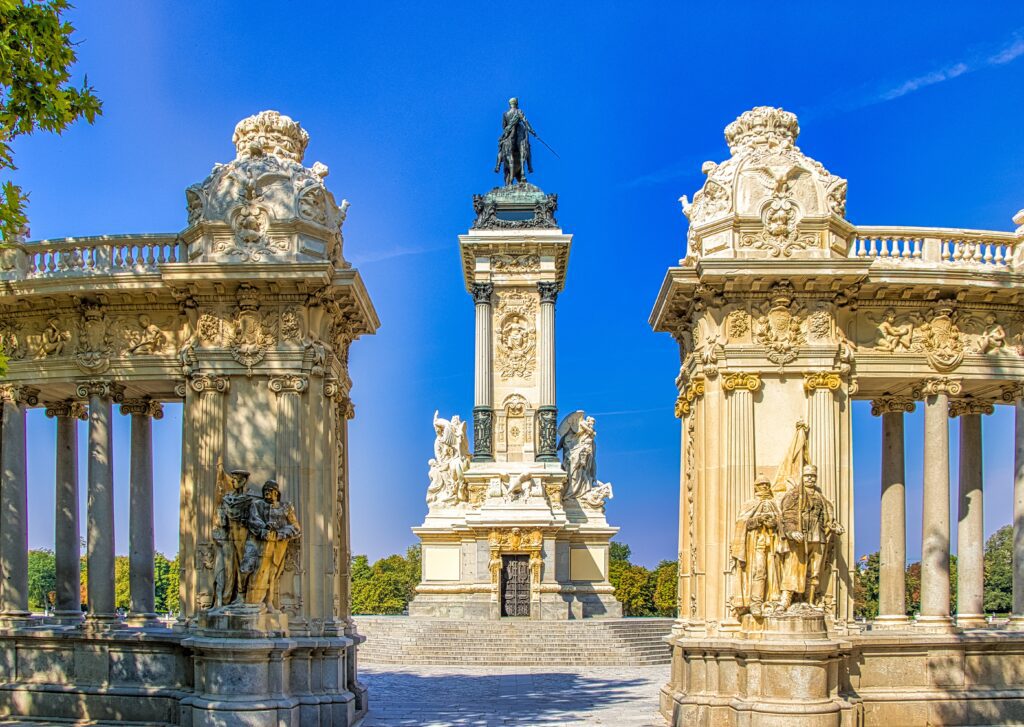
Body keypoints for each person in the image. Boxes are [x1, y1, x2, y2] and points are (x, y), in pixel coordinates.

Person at [778, 465, 843, 609]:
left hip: (818, 536)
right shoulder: (794, 494)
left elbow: (826, 518)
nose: (810, 478)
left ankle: (810, 600)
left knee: (814, 571)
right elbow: (787, 515)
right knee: (793, 567)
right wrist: (792, 531)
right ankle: (786, 599)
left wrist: (834, 525)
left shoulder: (821, 497)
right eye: (807, 475)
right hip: (800, 537)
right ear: (802, 477)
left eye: (813, 476)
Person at [245, 480, 301, 612]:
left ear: (276, 493)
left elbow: (296, 527)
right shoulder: (257, 505)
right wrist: (265, 528)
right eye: (265, 491)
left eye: (269, 491)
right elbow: (253, 521)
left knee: (273, 574)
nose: (266, 494)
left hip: (278, 545)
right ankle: (252, 601)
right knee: (256, 572)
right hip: (259, 545)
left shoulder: (285, 507)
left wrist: (281, 533)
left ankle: (269, 602)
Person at [729, 476, 780, 617]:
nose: (764, 486)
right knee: (759, 570)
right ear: (756, 487)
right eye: (761, 484)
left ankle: (772, 600)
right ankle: (755, 603)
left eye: (766, 484)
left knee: (773, 572)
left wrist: (774, 523)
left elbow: (781, 522)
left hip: (773, 543)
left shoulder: (774, 504)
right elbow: (741, 524)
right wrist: (758, 520)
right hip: (756, 543)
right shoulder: (749, 504)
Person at [494, 97, 536, 186]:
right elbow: (525, 121)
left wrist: (507, 130)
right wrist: (532, 131)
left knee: (501, 148)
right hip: (519, 134)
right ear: (516, 104)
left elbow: (504, 126)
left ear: (510, 104)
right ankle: (529, 167)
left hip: (510, 134)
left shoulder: (505, 114)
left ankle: (497, 165)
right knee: (526, 147)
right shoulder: (519, 111)